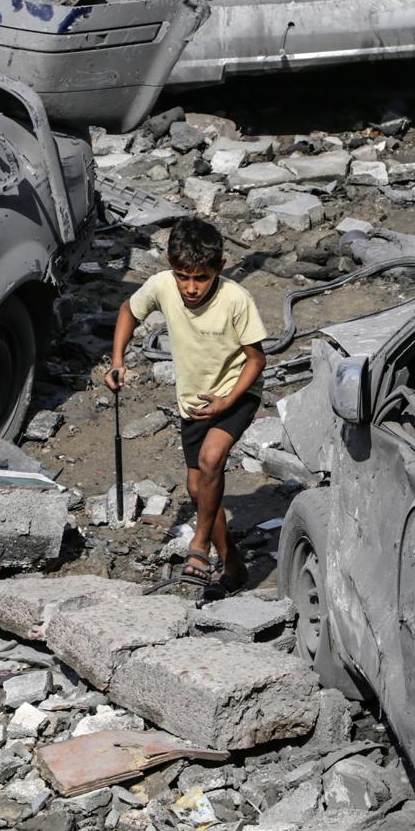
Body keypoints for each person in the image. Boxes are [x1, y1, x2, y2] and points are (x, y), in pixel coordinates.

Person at [104, 217, 266, 594]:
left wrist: (227, 400)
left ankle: (200, 546)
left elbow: (257, 360)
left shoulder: (236, 299)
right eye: (183, 277)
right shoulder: (161, 286)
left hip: (237, 392)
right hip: (193, 400)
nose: (190, 288)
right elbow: (128, 310)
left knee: (211, 461)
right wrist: (117, 360)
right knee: (198, 488)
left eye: (201, 279)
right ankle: (233, 564)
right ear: (170, 266)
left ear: (219, 269)